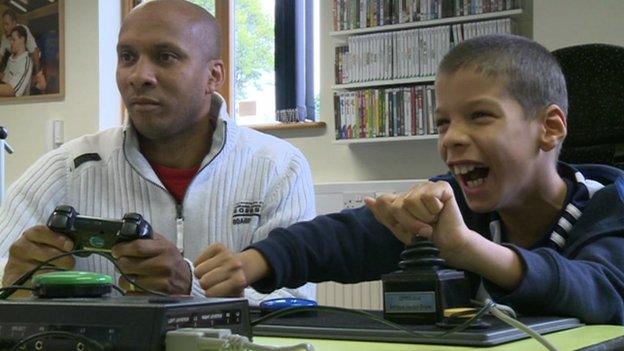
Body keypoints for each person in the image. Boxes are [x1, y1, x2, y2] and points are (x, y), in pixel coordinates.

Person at [194, 34, 624, 324]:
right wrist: (252, 262)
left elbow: (602, 291)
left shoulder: (609, 204)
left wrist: (471, 251)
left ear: (549, 128)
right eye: (442, 123)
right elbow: (350, 236)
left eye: (480, 116)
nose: (452, 138)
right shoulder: (457, 202)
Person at [0, 0, 316, 304]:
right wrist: (10, 283)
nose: (139, 76)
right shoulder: (66, 169)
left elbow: (294, 302)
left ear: (213, 76)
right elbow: (5, 267)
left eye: (165, 57)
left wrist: (190, 289)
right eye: (127, 56)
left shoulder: (277, 167)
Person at [0, 9, 41, 79]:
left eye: (7, 24)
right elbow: (0, 54)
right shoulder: (5, 36)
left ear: (14, 23)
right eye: (3, 24)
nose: (4, 27)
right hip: (14, 63)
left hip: (26, 63)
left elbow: (34, 51)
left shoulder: (23, 30)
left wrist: (37, 74)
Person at [0, 25, 32, 97]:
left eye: (14, 40)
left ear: (22, 39)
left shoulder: (26, 62)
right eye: (11, 40)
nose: (11, 42)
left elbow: (12, 90)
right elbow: (6, 79)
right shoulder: (11, 58)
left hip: (19, 106)